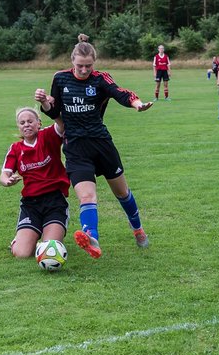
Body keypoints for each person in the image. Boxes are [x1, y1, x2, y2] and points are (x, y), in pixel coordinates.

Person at [34, 34, 153, 258]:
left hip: (101, 145)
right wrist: (44, 102)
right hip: (76, 147)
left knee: (122, 193)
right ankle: (92, 237)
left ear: (94, 63)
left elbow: (120, 93)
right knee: (87, 197)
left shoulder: (100, 79)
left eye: (88, 66)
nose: (84, 70)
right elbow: (55, 111)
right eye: (80, 66)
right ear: (72, 62)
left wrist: (137, 104)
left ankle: (138, 230)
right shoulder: (60, 79)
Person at [0, 107, 69, 258]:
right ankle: (20, 241)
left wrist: (48, 105)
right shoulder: (16, 148)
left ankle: (46, 233)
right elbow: (4, 174)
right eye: (22, 122)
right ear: (18, 126)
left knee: (49, 249)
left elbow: (62, 125)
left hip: (54, 202)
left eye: (30, 121)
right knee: (22, 254)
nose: (26, 125)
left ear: (38, 123)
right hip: (31, 205)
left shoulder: (48, 136)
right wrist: (7, 181)